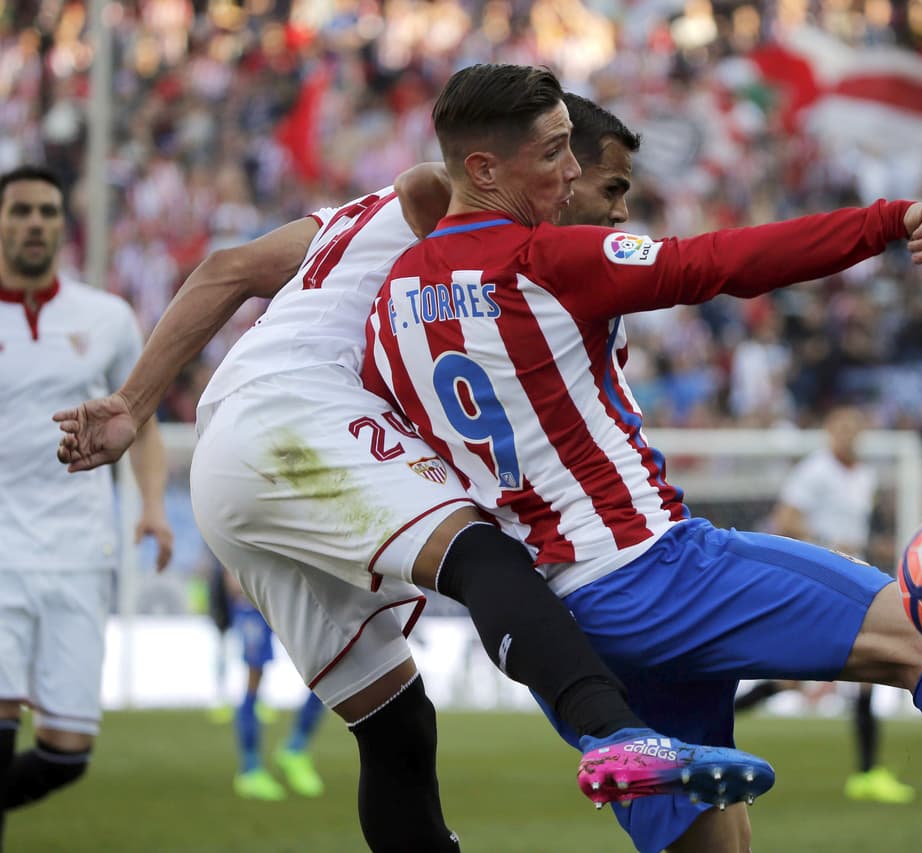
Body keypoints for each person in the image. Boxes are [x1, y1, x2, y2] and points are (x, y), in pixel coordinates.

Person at [363, 62, 922, 853]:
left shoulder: (389, 303)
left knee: (714, 840)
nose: (568, 175)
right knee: (921, 636)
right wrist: (887, 221)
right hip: (652, 566)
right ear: (483, 169)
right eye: (553, 154)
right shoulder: (544, 259)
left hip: (566, 627)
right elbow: (722, 261)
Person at [53, 97, 771, 852]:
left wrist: (136, 404)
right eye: (566, 170)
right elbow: (430, 179)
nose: (575, 194)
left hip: (230, 466)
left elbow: (227, 268)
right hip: (295, 414)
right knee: (481, 549)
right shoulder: (444, 207)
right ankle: (620, 735)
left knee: (396, 724)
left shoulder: (342, 226)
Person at [0, 165, 173, 845]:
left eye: (46, 212)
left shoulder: (106, 319)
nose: (34, 223)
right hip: (2, 552)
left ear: (61, 227)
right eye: (20, 212)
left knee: (66, 753)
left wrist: (153, 504)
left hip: (80, 550)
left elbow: (146, 420)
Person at [764, 405, 915, 805]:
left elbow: (854, 531)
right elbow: (785, 521)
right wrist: (827, 540)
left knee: (855, 677)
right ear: (829, 432)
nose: (848, 435)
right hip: (816, 578)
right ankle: (867, 773)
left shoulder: (864, 476)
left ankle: (867, 773)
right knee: (788, 679)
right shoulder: (814, 471)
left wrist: (869, 546)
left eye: (854, 428)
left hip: (851, 577)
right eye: (841, 427)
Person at [222, 567, 327, 801]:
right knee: (253, 680)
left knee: (329, 668)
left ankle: (295, 749)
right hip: (254, 598)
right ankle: (250, 770)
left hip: (297, 595)